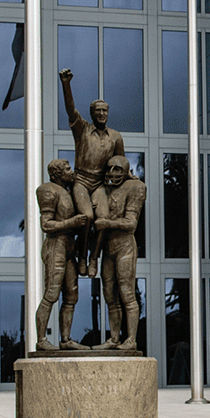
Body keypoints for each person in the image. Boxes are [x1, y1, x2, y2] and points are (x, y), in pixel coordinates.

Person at [60, 68, 125, 278]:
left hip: (99, 184)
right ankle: (81, 256)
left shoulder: (115, 137)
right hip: (81, 180)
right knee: (87, 216)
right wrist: (66, 84)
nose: (101, 114)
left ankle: (94, 257)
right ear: (92, 114)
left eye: (104, 111)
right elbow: (70, 109)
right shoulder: (82, 129)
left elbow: (121, 162)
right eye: (98, 111)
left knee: (102, 219)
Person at [90, 155, 146, 351]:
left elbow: (131, 223)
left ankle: (131, 339)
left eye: (117, 169)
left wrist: (107, 223)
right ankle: (114, 338)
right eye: (109, 168)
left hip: (124, 245)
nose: (112, 173)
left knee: (127, 293)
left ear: (125, 171)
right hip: (108, 246)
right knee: (109, 294)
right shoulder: (103, 190)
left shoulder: (135, 188)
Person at [34, 159, 89, 352]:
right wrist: (72, 222)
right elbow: (46, 225)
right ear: (56, 174)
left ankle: (65, 339)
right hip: (55, 245)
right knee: (51, 294)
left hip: (68, 247)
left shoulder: (69, 189)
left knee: (71, 295)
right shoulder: (47, 190)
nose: (71, 171)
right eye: (66, 169)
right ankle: (41, 340)